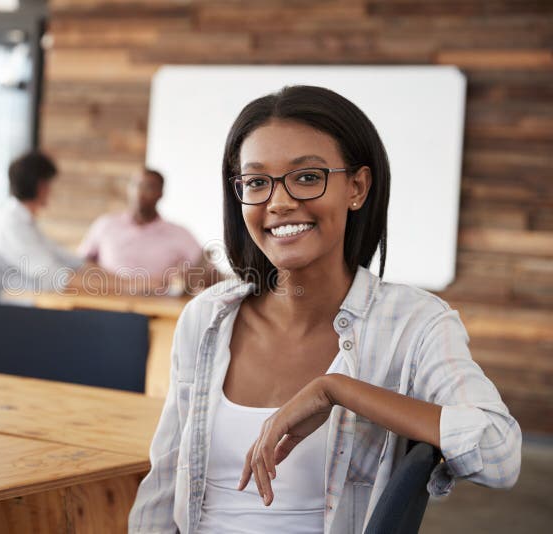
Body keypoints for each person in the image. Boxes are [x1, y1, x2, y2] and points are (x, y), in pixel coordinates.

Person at [128, 86, 521, 533]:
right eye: (256, 182)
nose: (278, 202)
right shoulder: (207, 318)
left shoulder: (415, 324)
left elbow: (499, 454)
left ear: (357, 187)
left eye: (307, 177)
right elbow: (162, 485)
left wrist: (337, 390)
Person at [78, 168, 216, 295]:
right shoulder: (105, 225)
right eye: (136, 185)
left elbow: (208, 273)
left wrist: (189, 278)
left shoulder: (179, 234)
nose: (140, 192)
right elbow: (80, 263)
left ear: (160, 194)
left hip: (156, 308)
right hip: (106, 301)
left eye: (149, 187)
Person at [0, 151, 84, 301]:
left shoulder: (21, 220)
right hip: (19, 312)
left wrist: (91, 269)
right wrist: (116, 285)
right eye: (49, 184)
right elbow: (54, 277)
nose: (51, 191)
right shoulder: (11, 224)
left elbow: (64, 258)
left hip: (30, 306)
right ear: (41, 186)